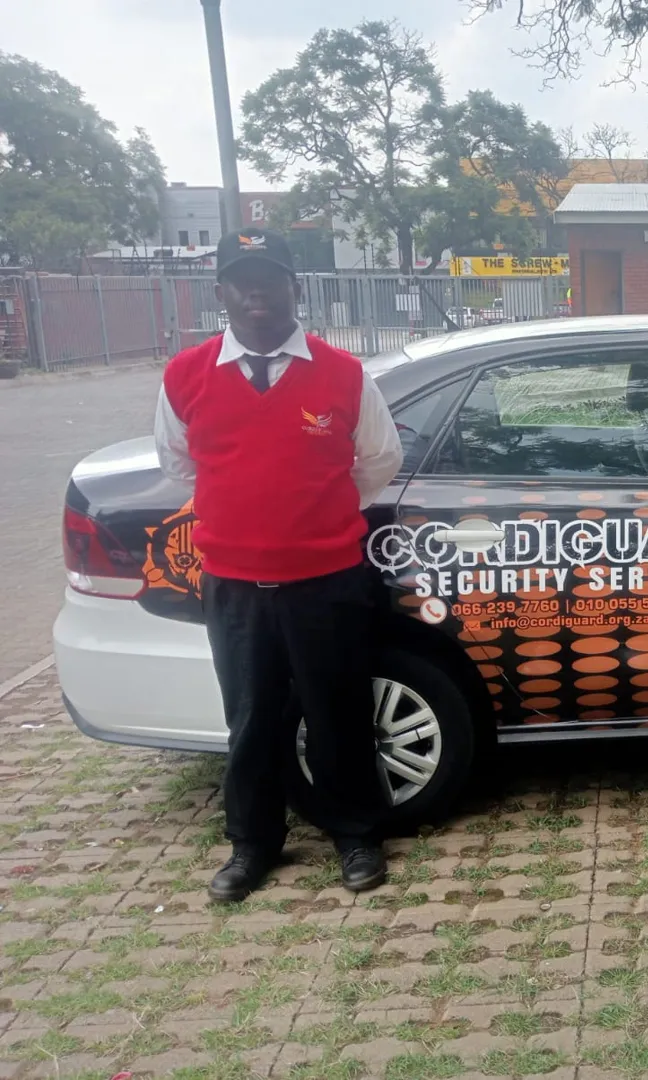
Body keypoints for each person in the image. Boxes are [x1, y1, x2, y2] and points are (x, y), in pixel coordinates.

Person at [154, 229, 404, 902]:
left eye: (269, 277)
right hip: (234, 586)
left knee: (338, 714)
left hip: (326, 582)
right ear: (221, 292)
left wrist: (317, 513)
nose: (256, 291)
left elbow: (380, 459)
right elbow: (178, 463)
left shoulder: (343, 373)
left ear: (295, 287)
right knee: (251, 720)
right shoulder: (185, 375)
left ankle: (355, 835)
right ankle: (253, 846)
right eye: (242, 280)